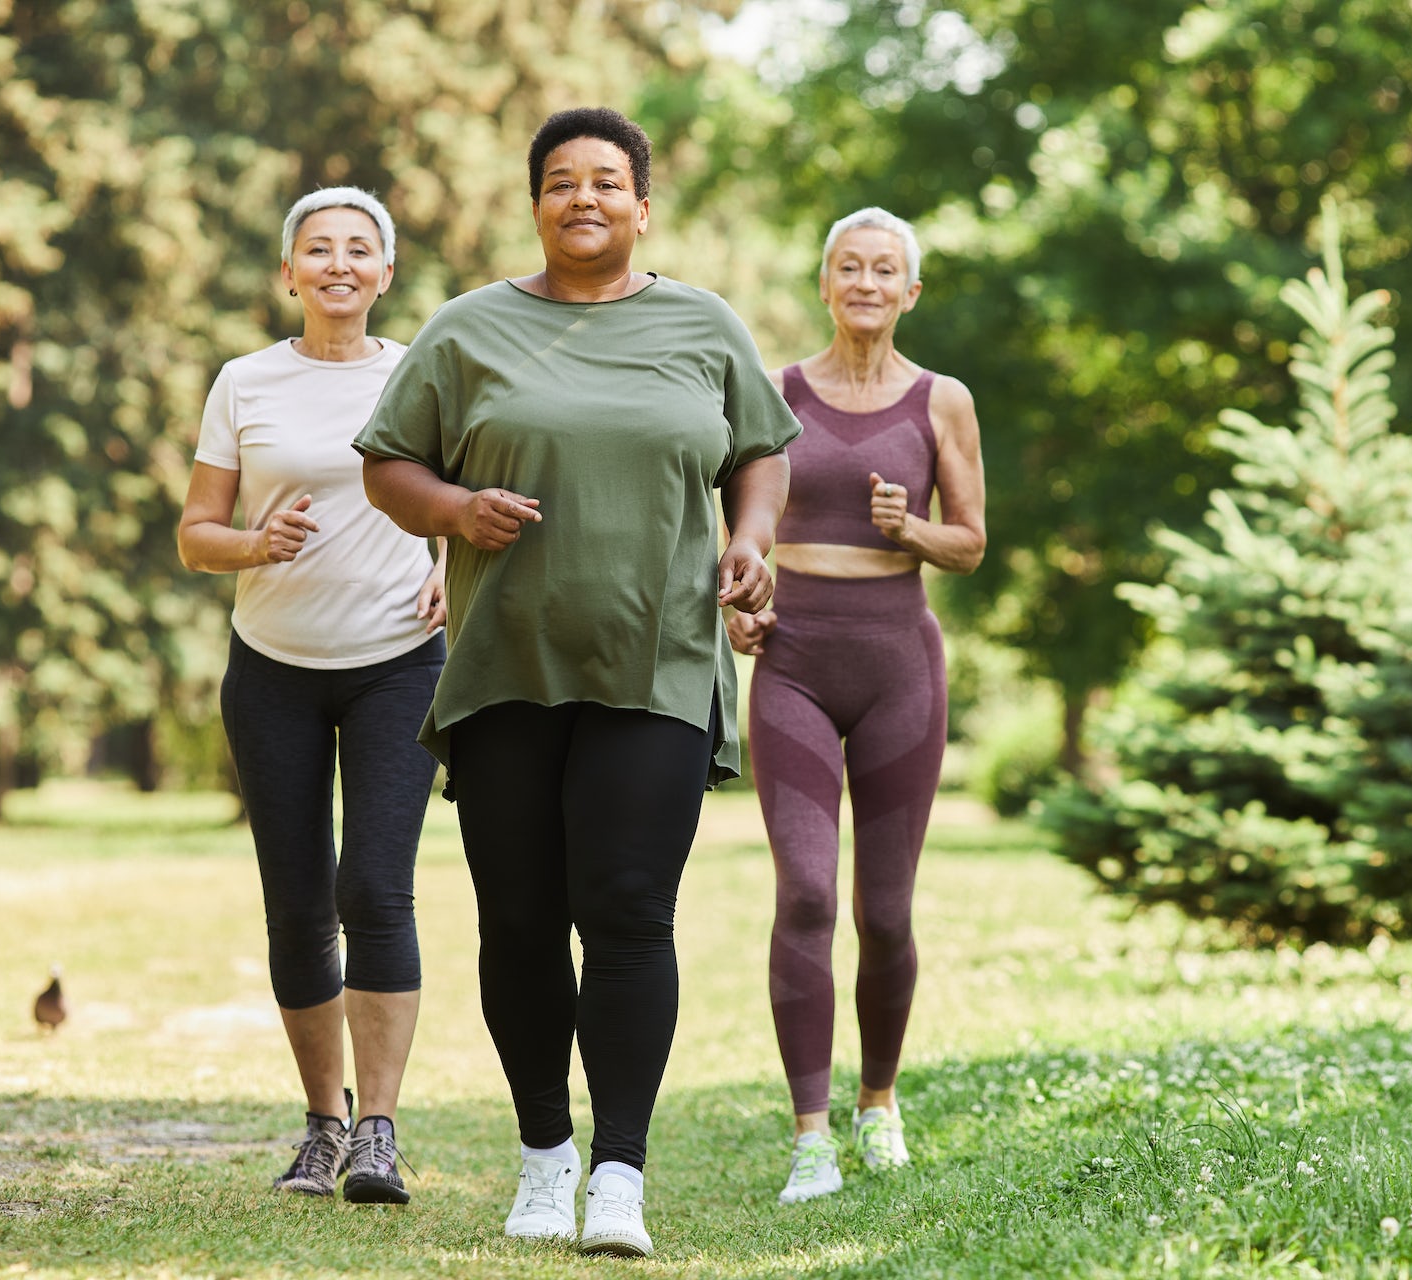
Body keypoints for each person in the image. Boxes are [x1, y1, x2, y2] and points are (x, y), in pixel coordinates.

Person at [355, 106, 798, 1258]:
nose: (584, 198)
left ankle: (619, 1176)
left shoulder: (704, 324)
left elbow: (760, 452)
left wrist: (751, 540)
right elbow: (390, 463)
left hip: (657, 662)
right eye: (562, 181)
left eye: (608, 181)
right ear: (536, 203)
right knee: (520, 919)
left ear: (643, 207)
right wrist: (453, 509)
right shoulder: (468, 328)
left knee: (629, 909)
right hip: (507, 665)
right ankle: (544, 1156)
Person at [176, 186, 447, 1205]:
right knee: (297, 904)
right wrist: (255, 541)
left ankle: (380, 1126)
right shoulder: (246, 380)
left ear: (385, 271)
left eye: (359, 248)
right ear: (289, 274)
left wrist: (454, 562)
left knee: (374, 887)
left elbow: (471, 494)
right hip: (272, 668)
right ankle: (323, 1124)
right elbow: (195, 530)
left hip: (397, 662)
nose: (339, 263)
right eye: (318, 249)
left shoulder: (425, 371)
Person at [726, 207, 987, 1205]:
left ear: (910, 291)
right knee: (805, 893)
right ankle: (809, 1135)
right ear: (825, 283)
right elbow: (741, 530)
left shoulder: (942, 400)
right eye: (850, 267)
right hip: (794, 659)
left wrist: (907, 528)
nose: (868, 282)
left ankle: (878, 1102)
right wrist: (741, 612)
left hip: (899, 664)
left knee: (886, 910)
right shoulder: (778, 394)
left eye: (886, 270)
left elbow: (969, 542)